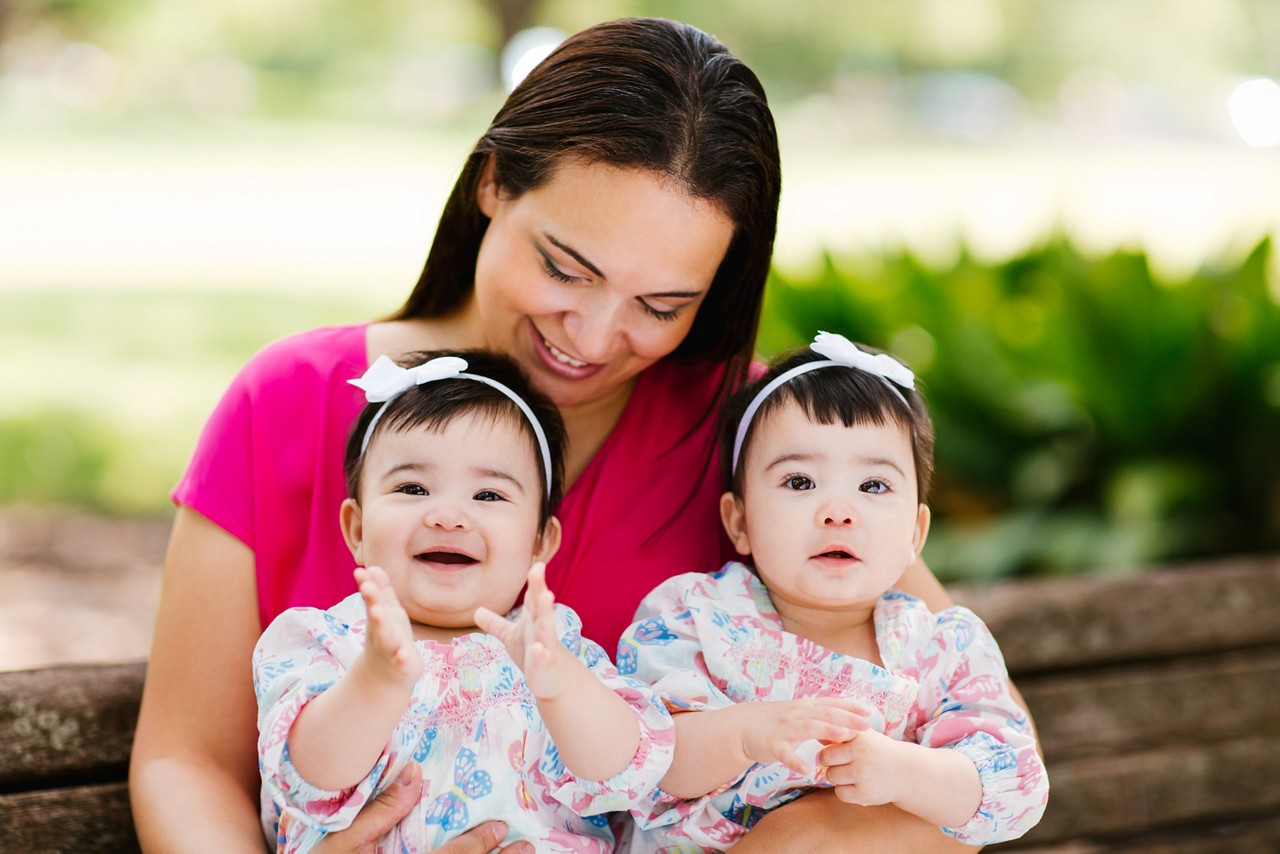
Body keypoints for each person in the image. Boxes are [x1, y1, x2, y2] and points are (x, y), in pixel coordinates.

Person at [130, 16, 1001, 852]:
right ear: (493, 182)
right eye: (564, 268)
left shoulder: (769, 443)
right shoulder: (294, 401)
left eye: (663, 306)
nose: (589, 338)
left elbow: (978, 749)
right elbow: (186, 760)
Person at [617, 332, 1049, 850]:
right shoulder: (696, 619)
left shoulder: (941, 647)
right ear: (739, 522)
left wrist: (906, 773)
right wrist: (742, 733)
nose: (838, 511)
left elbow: (1012, 789)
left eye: (873, 486)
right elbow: (643, 759)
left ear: (916, 533)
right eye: (800, 482)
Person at [254, 351, 674, 851]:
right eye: (413, 487)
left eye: (489, 496)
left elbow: (625, 776)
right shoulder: (327, 643)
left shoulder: (552, 648)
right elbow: (310, 779)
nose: (449, 516)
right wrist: (377, 678)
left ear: (540, 543)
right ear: (358, 529)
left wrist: (561, 688)